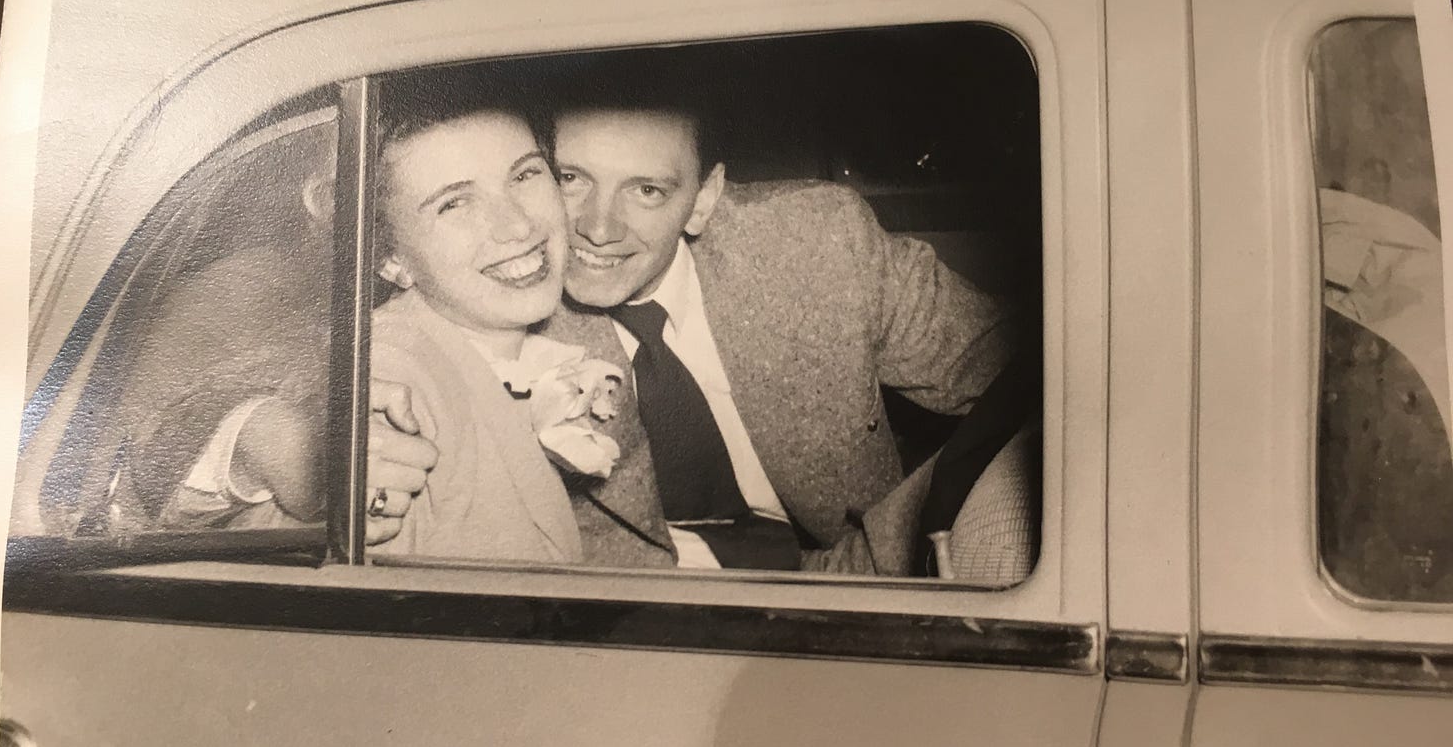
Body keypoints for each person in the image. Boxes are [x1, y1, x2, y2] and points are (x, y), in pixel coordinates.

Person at [370, 90, 1018, 574]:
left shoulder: (819, 245)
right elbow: (367, 355)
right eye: (570, 178)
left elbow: (1043, 368)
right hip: (649, 628)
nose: (598, 228)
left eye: (647, 190)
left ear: (704, 199)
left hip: (866, 580)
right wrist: (276, 430)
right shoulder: (497, 297)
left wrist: (929, 527)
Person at [366, 102, 622, 562]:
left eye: (524, 175)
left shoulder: (540, 337)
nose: (518, 225)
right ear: (392, 260)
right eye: (454, 203)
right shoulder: (394, 377)